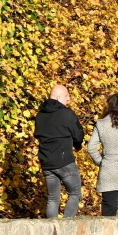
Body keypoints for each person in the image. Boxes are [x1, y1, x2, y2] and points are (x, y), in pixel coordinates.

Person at [34, 84, 84, 218]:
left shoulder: (40, 115)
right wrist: (77, 145)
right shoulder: (66, 114)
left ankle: (52, 230)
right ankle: (67, 225)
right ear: (59, 97)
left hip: (47, 163)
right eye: (67, 96)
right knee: (75, 193)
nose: (68, 99)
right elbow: (78, 134)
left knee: (52, 198)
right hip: (64, 161)